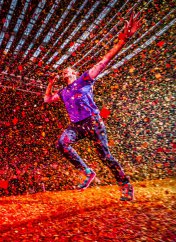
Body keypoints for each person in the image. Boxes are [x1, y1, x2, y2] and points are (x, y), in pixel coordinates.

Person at [44, 12, 142, 201]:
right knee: (61, 144)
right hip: (76, 126)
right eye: (64, 71)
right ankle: (88, 172)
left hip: (93, 122)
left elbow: (104, 60)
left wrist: (123, 41)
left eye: (68, 69)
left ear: (74, 72)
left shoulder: (85, 79)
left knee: (105, 157)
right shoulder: (63, 92)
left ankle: (126, 186)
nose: (65, 71)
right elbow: (47, 100)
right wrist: (49, 83)